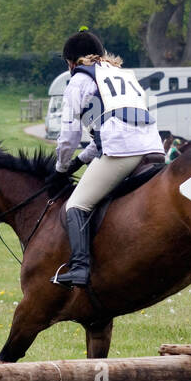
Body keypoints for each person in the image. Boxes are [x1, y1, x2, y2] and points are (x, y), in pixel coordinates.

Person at [52, 30, 164, 287]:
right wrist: (80, 160)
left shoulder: (78, 82)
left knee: (76, 205)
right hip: (153, 148)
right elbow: (107, 128)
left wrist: (61, 167)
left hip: (124, 151)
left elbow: (69, 136)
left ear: (71, 62)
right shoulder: (123, 74)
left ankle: (80, 268)